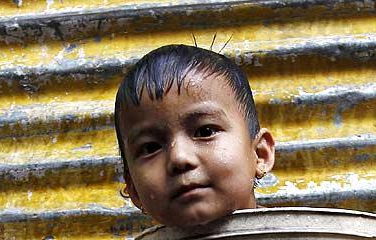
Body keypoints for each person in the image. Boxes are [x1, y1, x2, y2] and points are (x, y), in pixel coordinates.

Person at [114, 44, 275, 227]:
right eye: (151, 147)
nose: (179, 158)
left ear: (260, 154)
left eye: (205, 132)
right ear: (133, 188)